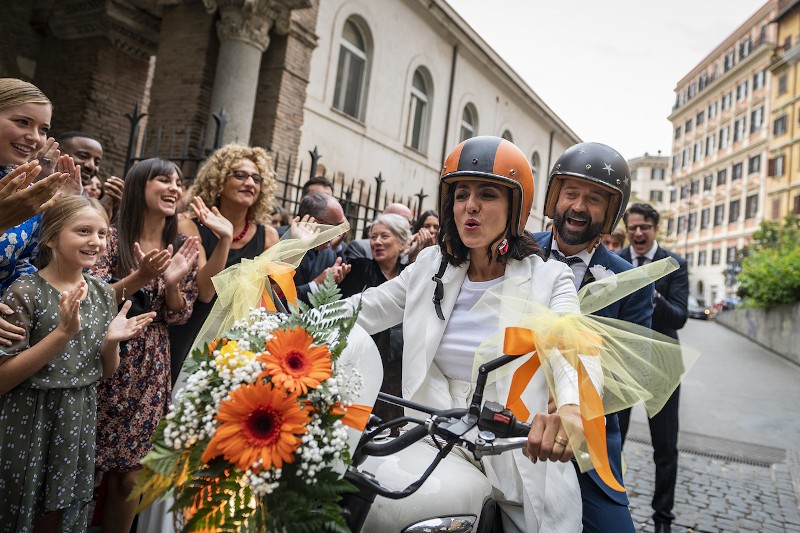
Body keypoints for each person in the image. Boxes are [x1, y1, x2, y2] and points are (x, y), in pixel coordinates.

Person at [345, 136, 585, 532]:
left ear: (515, 207)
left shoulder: (550, 277)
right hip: (430, 443)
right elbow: (365, 309)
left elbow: (567, 342)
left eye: (487, 194)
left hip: (518, 458)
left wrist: (570, 408)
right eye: (461, 194)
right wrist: (293, 322)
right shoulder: (429, 266)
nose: (470, 205)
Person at [0, 195, 154, 531]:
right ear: (52, 237)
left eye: (101, 233)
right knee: (20, 510)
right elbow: (3, 379)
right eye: (83, 230)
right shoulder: (24, 292)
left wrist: (112, 343)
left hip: (78, 419)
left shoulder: (100, 292)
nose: (95, 241)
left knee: (60, 515)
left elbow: (104, 372)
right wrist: (63, 333)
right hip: (29, 418)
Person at [535, 141, 654, 532]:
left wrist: (572, 399)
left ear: (611, 212)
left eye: (594, 199)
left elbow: (629, 371)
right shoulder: (516, 251)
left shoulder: (632, 282)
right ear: (555, 196)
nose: (579, 206)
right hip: (504, 420)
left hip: (586, 437)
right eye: (571, 193)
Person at [89, 157, 199, 533]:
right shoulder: (108, 235)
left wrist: (170, 283)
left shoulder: (182, 246)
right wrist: (141, 276)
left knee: (131, 478)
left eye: (178, 181)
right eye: (162, 180)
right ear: (140, 185)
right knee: (83, 472)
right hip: (102, 357)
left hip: (150, 366)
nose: (173, 187)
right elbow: (91, 297)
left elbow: (179, 317)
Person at [169, 143, 280, 384]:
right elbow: (206, 291)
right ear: (218, 180)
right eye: (239, 175)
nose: (249, 183)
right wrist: (225, 239)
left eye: (256, 178)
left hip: (239, 338)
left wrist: (297, 246)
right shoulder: (188, 225)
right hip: (193, 330)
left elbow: (272, 297)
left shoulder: (268, 236)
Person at [617, 202, 688, 533]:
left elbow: (680, 317)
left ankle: (663, 519)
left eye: (644, 227)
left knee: (665, 446)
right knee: (613, 438)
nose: (638, 233)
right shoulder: (617, 263)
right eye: (632, 228)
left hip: (662, 364)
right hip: (623, 363)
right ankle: (612, 504)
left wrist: (650, 292)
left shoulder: (675, 265)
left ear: (655, 228)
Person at [336, 213, 411, 422]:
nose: (377, 242)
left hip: (398, 366)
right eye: (373, 236)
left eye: (384, 236)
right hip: (364, 361)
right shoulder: (358, 269)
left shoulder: (410, 276)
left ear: (402, 242)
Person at [293, 192, 349, 304]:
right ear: (313, 221)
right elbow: (272, 297)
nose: (337, 234)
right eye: (333, 227)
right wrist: (315, 285)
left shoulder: (329, 254)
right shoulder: (278, 242)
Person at [58, 131, 124, 220]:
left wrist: (106, 210)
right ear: (58, 152)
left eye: (97, 162)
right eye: (83, 156)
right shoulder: (41, 186)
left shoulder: (85, 198)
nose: (91, 166)